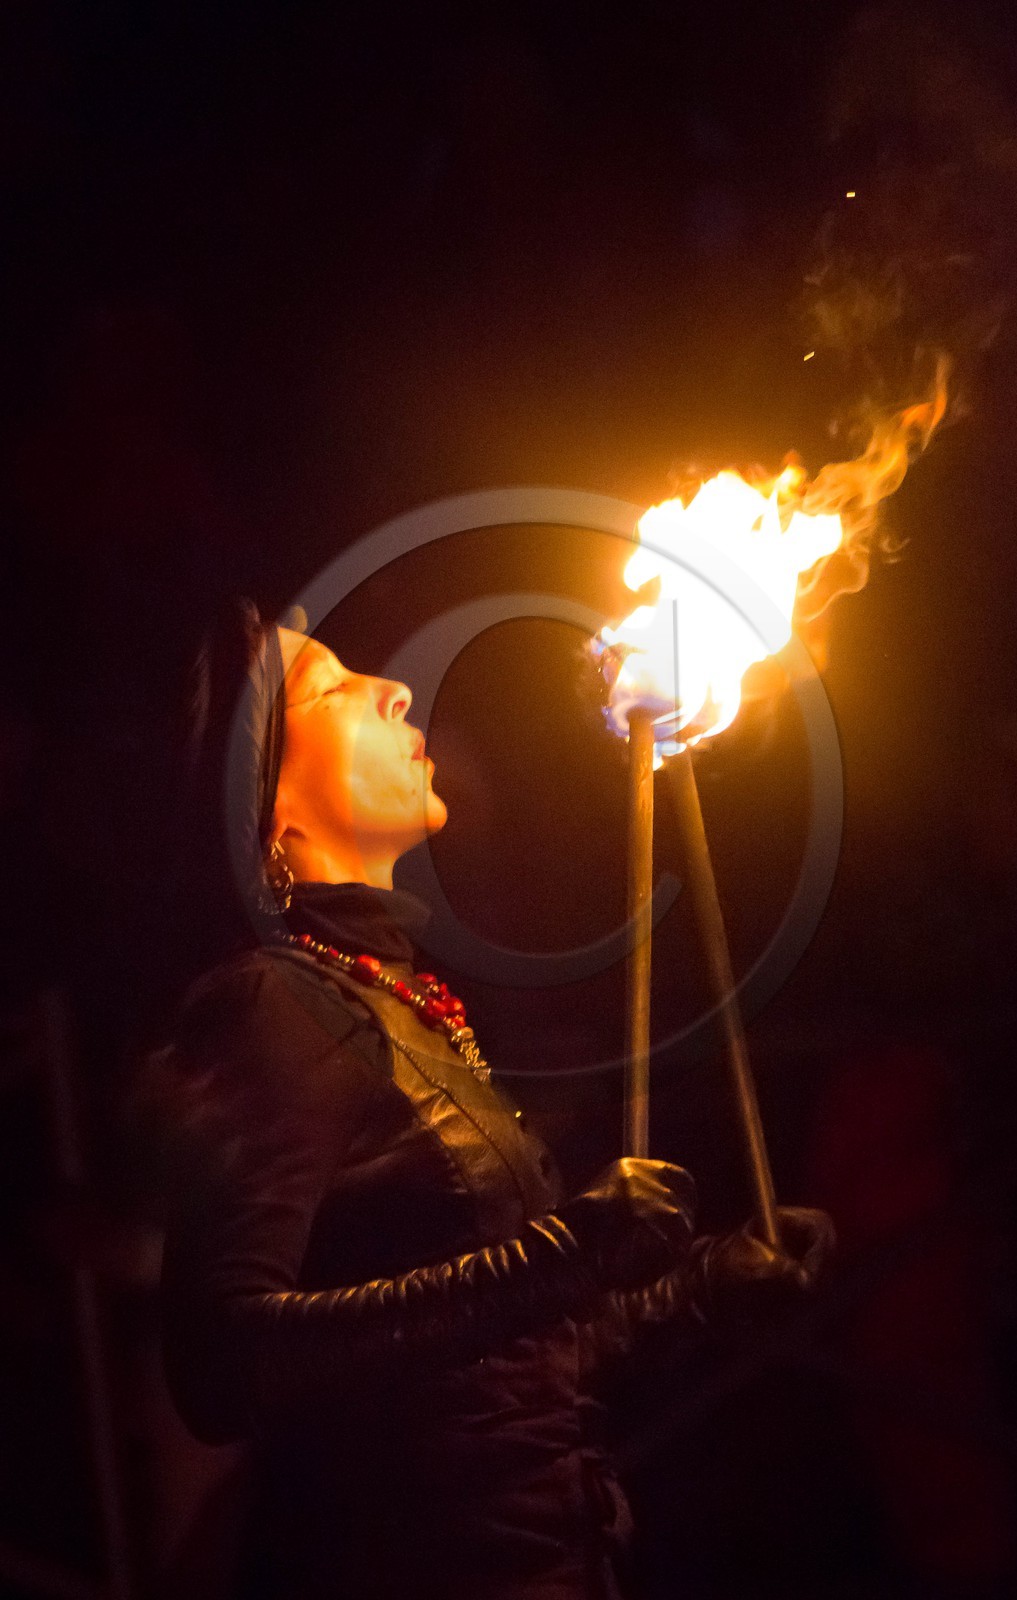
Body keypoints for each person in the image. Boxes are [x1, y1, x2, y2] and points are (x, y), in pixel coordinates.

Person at [156, 600, 834, 1600]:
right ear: (275, 818)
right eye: (332, 689)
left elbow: (499, 1367)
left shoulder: (398, 1001)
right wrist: (562, 1257)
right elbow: (225, 1364)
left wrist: (689, 1291)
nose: (392, 688)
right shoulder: (276, 1007)